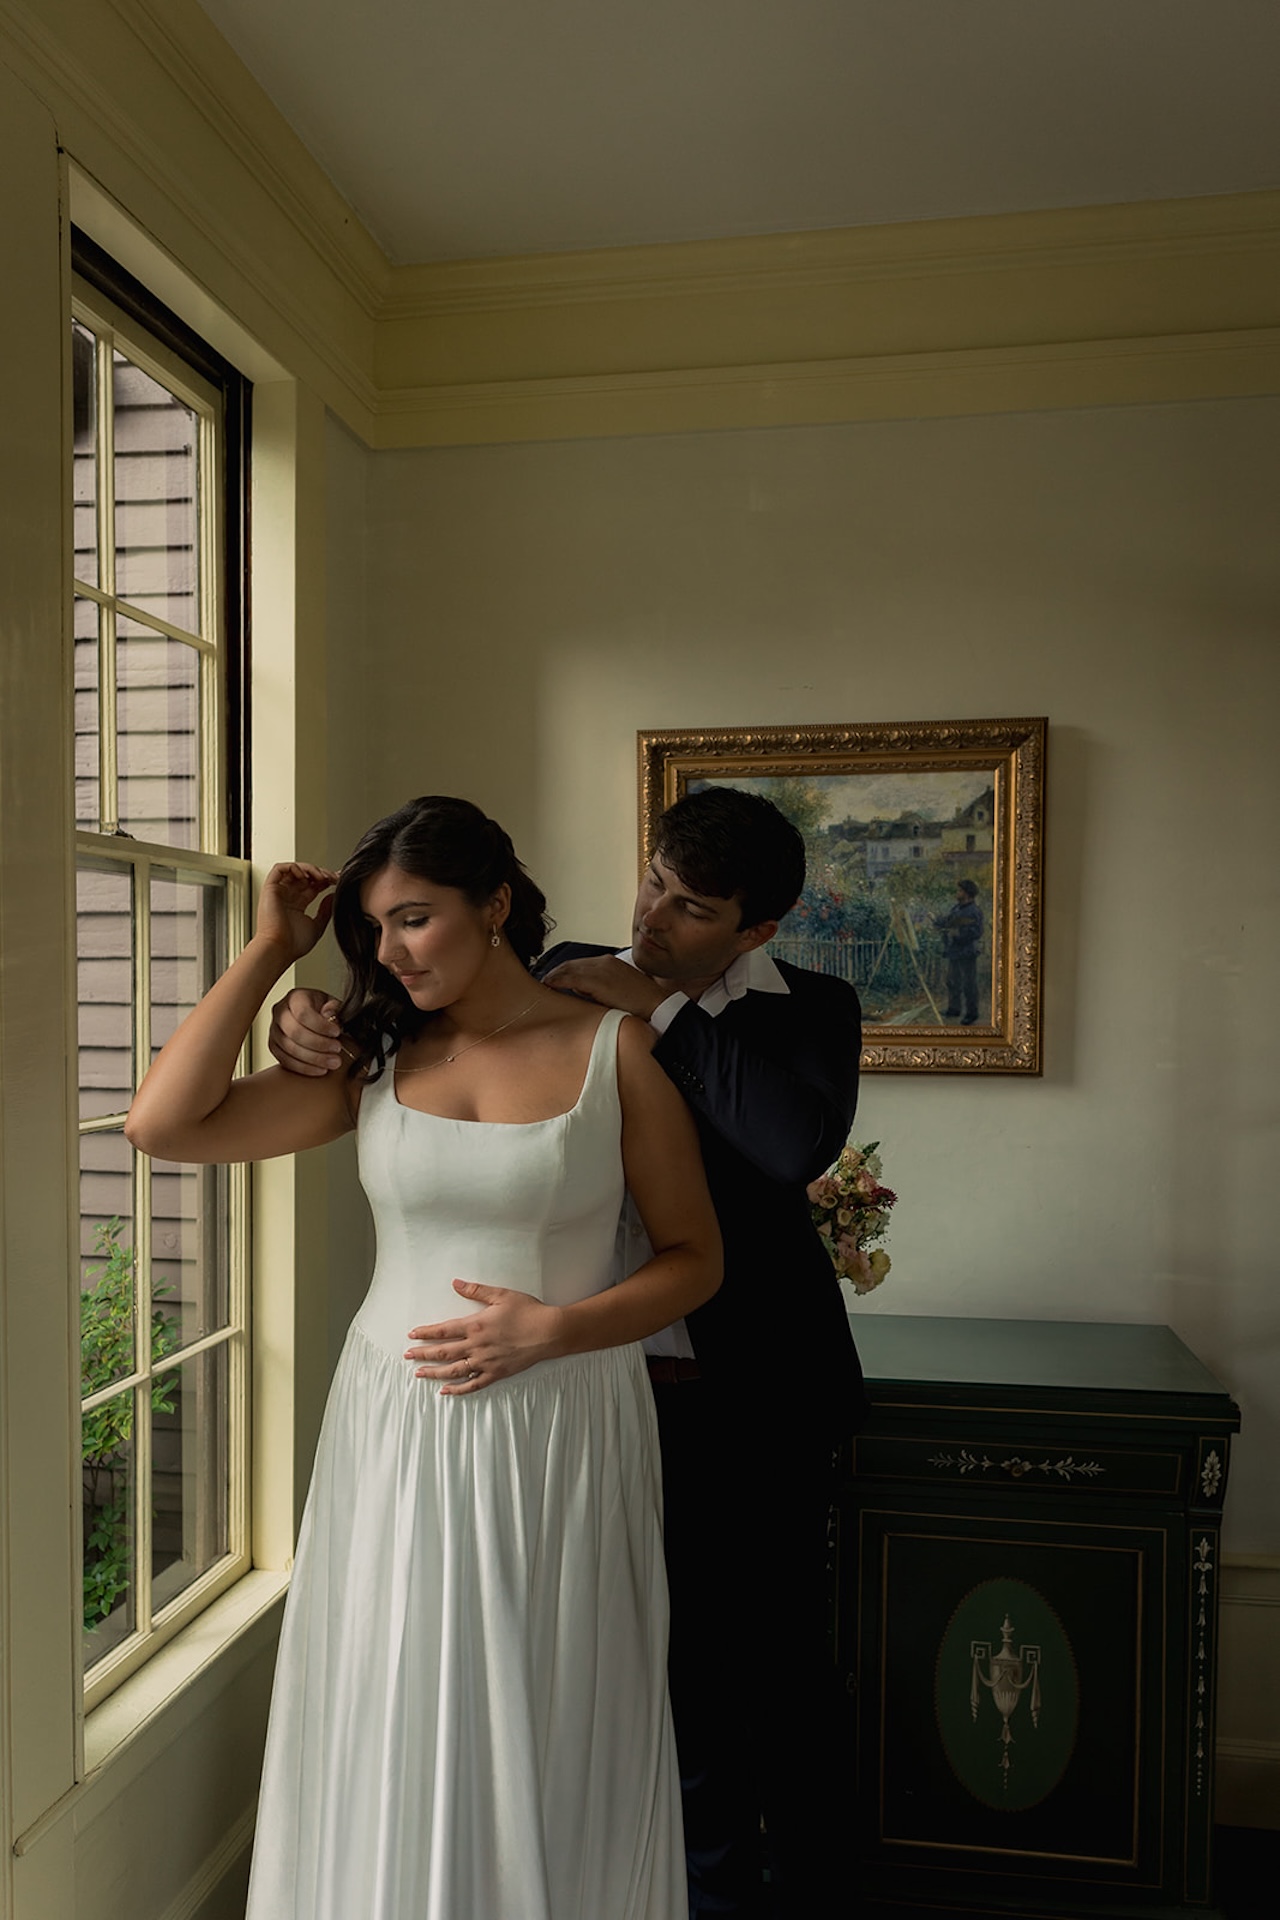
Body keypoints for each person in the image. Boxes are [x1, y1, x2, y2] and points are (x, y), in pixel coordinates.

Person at [272, 787, 866, 1918]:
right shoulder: (565, 972)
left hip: (748, 1400)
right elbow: (426, 1019)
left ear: (755, 930)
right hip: (590, 1393)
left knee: (776, 1687)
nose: (650, 917)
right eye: (651, 880)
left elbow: (787, 1145)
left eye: (690, 907)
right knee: (643, 1686)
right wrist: (294, 1016)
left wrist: (662, 1013)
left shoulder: (811, 1011)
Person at [127, 795, 722, 1920]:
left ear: (493, 905)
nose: (392, 952)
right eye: (374, 930)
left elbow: (694, 1260)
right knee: (394, 1696)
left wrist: (554, 1328)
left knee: (549, 1702)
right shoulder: (375, 1062)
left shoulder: (615, 1052)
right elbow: (164, 1125)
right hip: (396, 1431)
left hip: (563, 1428)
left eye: (415, 920)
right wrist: (268, 954)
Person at [935, 876, 984, 1024]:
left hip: (967, 951)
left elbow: (977, 932)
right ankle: (954, 1009)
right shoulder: (957, 908)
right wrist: (937, 921)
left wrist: (959, 934)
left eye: (960, 890)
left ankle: (971, 1013)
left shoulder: (974, 911)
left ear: (967, 893)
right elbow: (948, 921)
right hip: (954, 951)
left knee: (968, 984)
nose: (957, 893)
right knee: (952, 981)